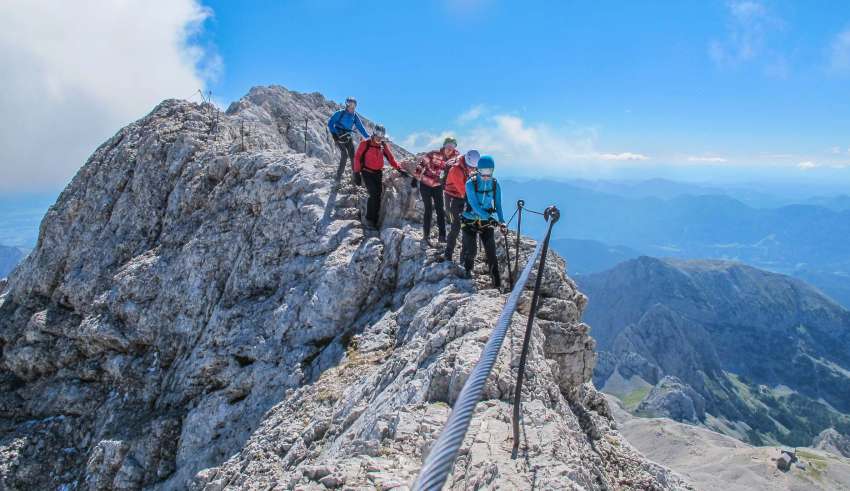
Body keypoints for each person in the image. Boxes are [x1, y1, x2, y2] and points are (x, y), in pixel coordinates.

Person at [460, 155, 506, 288]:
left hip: (486, 222)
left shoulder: (495, 184)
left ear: (493, 171)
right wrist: (490, 218)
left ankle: (496, 284)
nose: (486, 176)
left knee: (491, 253)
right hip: (469, 220)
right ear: (478, 170)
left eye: (489, 172)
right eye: (483, 172)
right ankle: (468, 270)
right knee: (472, 251)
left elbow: (498, 205)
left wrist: (502, 222)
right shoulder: (470, 183)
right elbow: (474, 206)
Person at [413, 137, 460, 246]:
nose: (450, 149)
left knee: (440, 210)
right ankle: (426, 235)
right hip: (425, 184)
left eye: (452, 147)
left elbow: (460, 168)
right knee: (428, 209)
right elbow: (422, 164)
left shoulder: (455, 158)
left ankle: (442, 237)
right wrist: (415, 178)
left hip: (438, 186)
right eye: (448, 146)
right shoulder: (434, 154)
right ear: (444, 146)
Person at [353, 125, 401, 229]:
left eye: (381, 136)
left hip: (378, 173)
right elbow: (357, 158)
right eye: (378, 136)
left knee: (378, 195)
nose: (379, 138)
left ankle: (375, 220)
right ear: (374, 133)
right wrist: (356, 173)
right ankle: (369, 219)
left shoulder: (383, 145)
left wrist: (399, 168)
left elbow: (390, 158)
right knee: (373, 193)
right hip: (367, 172)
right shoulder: (365, 143)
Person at [440, 149, 480, 263]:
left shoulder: (472, 166)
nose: (472, 170)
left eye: (474, 167)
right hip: (452, 198)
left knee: (466, 226)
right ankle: (448, 254)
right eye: (470, 167)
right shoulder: (455, 170)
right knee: (456, 227)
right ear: (466, 162)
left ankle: (463, 258)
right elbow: (464, 192)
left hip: (463, 197)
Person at [327, 97, 370, 182]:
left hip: (347, 136)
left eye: (354, 105)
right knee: (344, 155)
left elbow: (360, 127)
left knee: (353, 156)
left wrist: (368, 137)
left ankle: (355, 177)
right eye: (350, 105)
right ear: (347, 105)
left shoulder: (354, 116)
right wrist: (335, 134)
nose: (352, 107)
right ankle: (338, 178)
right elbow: (330, 123)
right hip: (339, 135)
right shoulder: (340, 113)